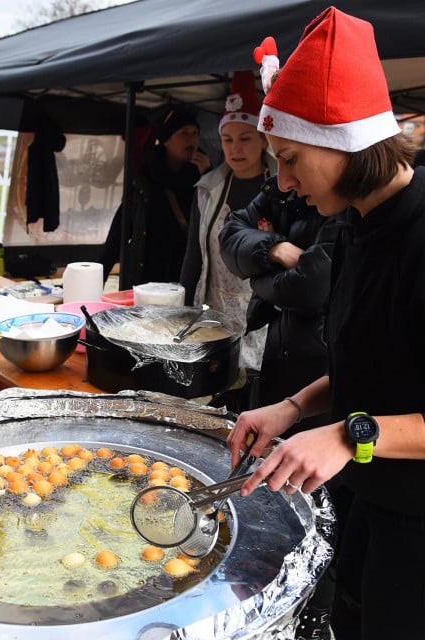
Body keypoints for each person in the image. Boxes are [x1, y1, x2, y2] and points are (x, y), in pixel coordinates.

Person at [227, 8, 425, 640]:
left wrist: (344, 436)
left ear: (346, 143)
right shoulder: (354, 225)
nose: (282, 182)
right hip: (367, 501)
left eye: (289, 158)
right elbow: (367, 365)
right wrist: (292, 406)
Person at [218, 175, 339, 435]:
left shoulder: (345, 206)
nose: (283, 179)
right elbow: (229, 234)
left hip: (322, 361)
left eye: (291, 157)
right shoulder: (282, 190)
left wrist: (257, 276)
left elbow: (309, 288)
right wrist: (276, 247)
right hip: (279, 346)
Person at [180, 70, 277, 374]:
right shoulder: (207, 190)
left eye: (245, 138)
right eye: (227, 139)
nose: (235, 148)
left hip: (267, 318)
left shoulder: (284, 188)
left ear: (263, 140)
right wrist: (182, 315)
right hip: (214, 316)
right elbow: (193, 257)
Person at [99, 105, 210, 284]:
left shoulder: (204, 178)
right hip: (145, 277)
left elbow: (213, 225)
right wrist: (98, 277)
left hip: (184, 279)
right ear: (166, 140)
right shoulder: (145, 179)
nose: (192, 139)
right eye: (183, 133)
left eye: (195, 132)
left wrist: (207, 176)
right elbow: (119, 232)